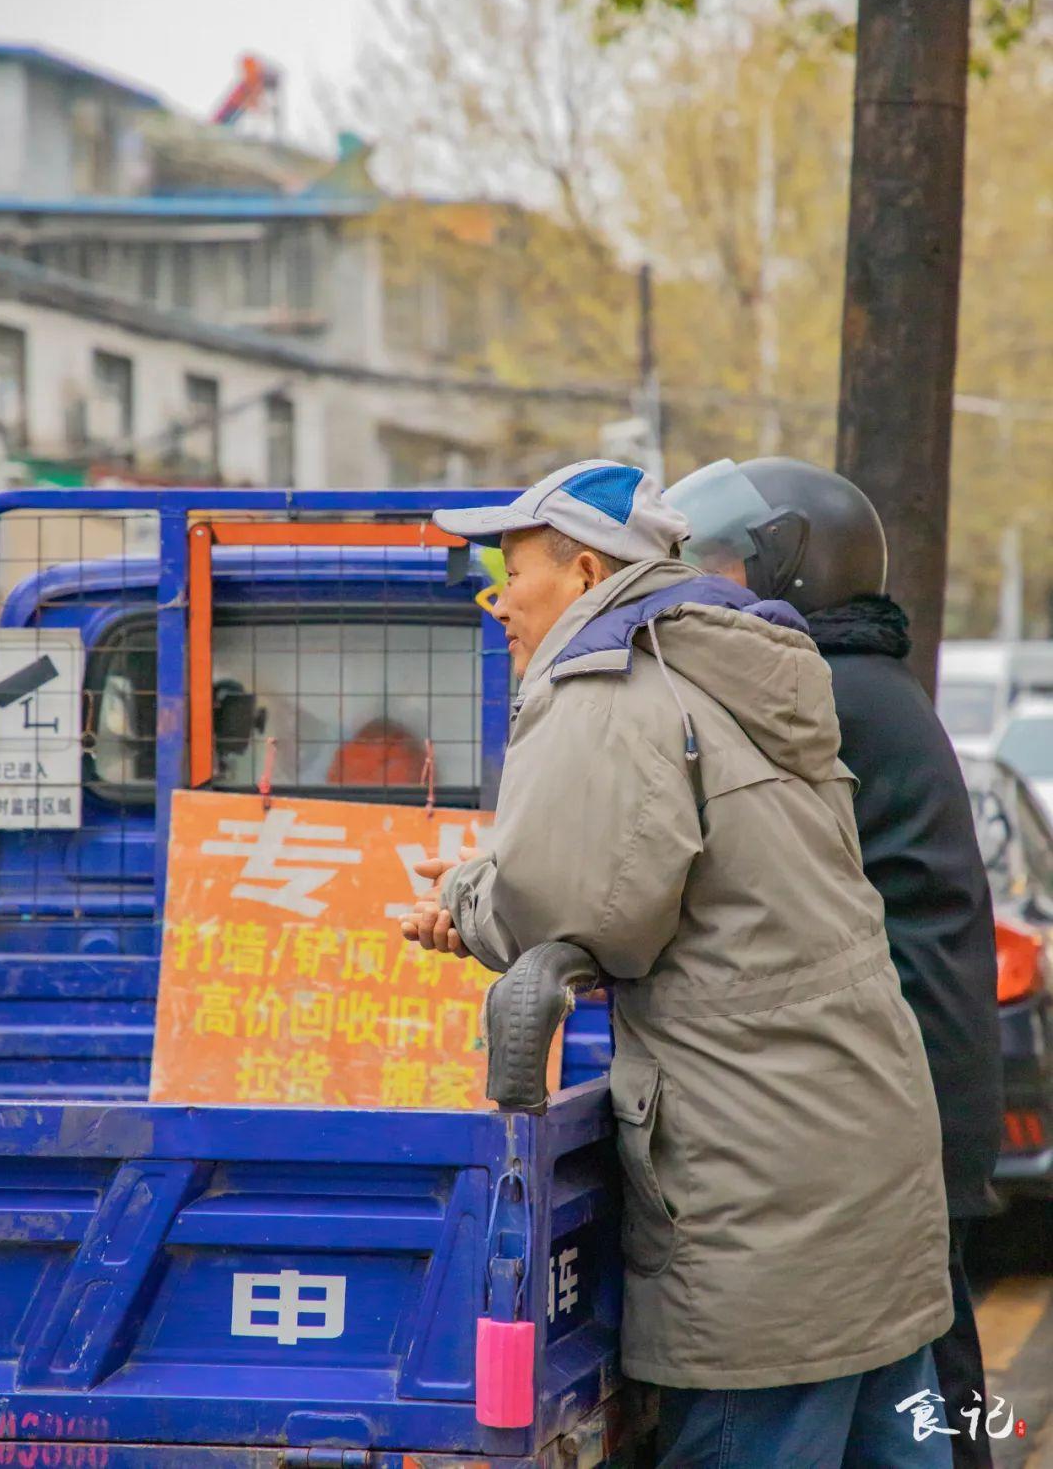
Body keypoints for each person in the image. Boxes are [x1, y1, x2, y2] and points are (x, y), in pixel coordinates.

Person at [402, 457, 954, 1469]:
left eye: (507, 571)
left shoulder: (606, 681)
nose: (496, 603)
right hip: (862, 1153)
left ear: (581, 570)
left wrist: (463, 899)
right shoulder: (735, 659)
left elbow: (572, 907)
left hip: (759, 1193)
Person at [665, 456, 1002, 1469]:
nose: (700, 592)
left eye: (717, 567)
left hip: (896, 1102)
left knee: (930, 1386)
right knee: (923, 1392)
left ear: (786, 568)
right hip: (917, 1089)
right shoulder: (864, 680)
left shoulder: (824, 697)